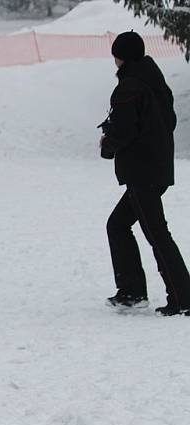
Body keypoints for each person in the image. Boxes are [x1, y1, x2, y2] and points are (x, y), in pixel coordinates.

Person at [100, 31, 190, 316]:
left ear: (122, 56)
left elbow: (125, 129)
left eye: (115, 54)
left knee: (156, 233)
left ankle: (182, 298)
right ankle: (132, 292)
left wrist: (107, 144)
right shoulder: (155, 81)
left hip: (142, 171)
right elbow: (169, 121)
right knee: (118, 225)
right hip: (157, 168)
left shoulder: (129, 87)